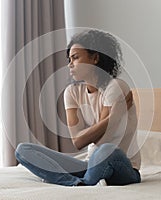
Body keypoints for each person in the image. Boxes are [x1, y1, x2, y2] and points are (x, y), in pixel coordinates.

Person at [15, 29, 141, 186]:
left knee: (106, 150)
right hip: (91, 165)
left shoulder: (115, 86)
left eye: (75, 58)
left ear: (95, 58)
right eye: (69, 59)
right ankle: (77, 183)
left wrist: (105, 124)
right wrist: (114, 116)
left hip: (123, 167)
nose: (70, 64)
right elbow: (78, 141)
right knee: (23, 150)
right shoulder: (72, 92)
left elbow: (102, 140)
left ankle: (82, 182)